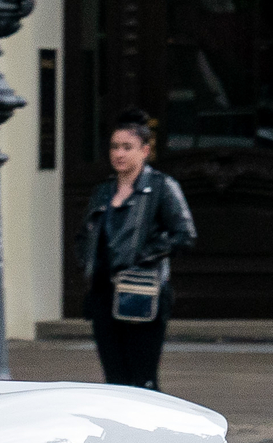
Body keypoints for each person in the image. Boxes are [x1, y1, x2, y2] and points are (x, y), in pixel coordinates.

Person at [77, 109, 197, 390]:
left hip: (142, 291)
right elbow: (85, 234)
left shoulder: (161, 187)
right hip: (103, 294)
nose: (119, 154)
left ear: (145, 151)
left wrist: (143, 257)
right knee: (114, 380)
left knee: (143, 380)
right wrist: (87, 262)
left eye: (127, 147)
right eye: (115, 147)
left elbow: (184, 235)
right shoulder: (103, 191)